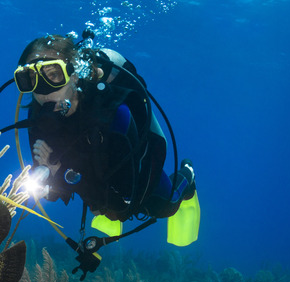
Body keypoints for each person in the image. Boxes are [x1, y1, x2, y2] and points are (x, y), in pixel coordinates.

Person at [15, 33, 196, 223]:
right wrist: (51, 176)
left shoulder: (116, 115)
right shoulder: (38, 116)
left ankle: (188, 174)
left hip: (132, 168)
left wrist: (62, 173)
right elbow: (51, 192)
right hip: (93, 181)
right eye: (31, 79)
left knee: (165, 205)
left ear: (74, 75)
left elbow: (124, 202)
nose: (43, 91)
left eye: (54, 75)